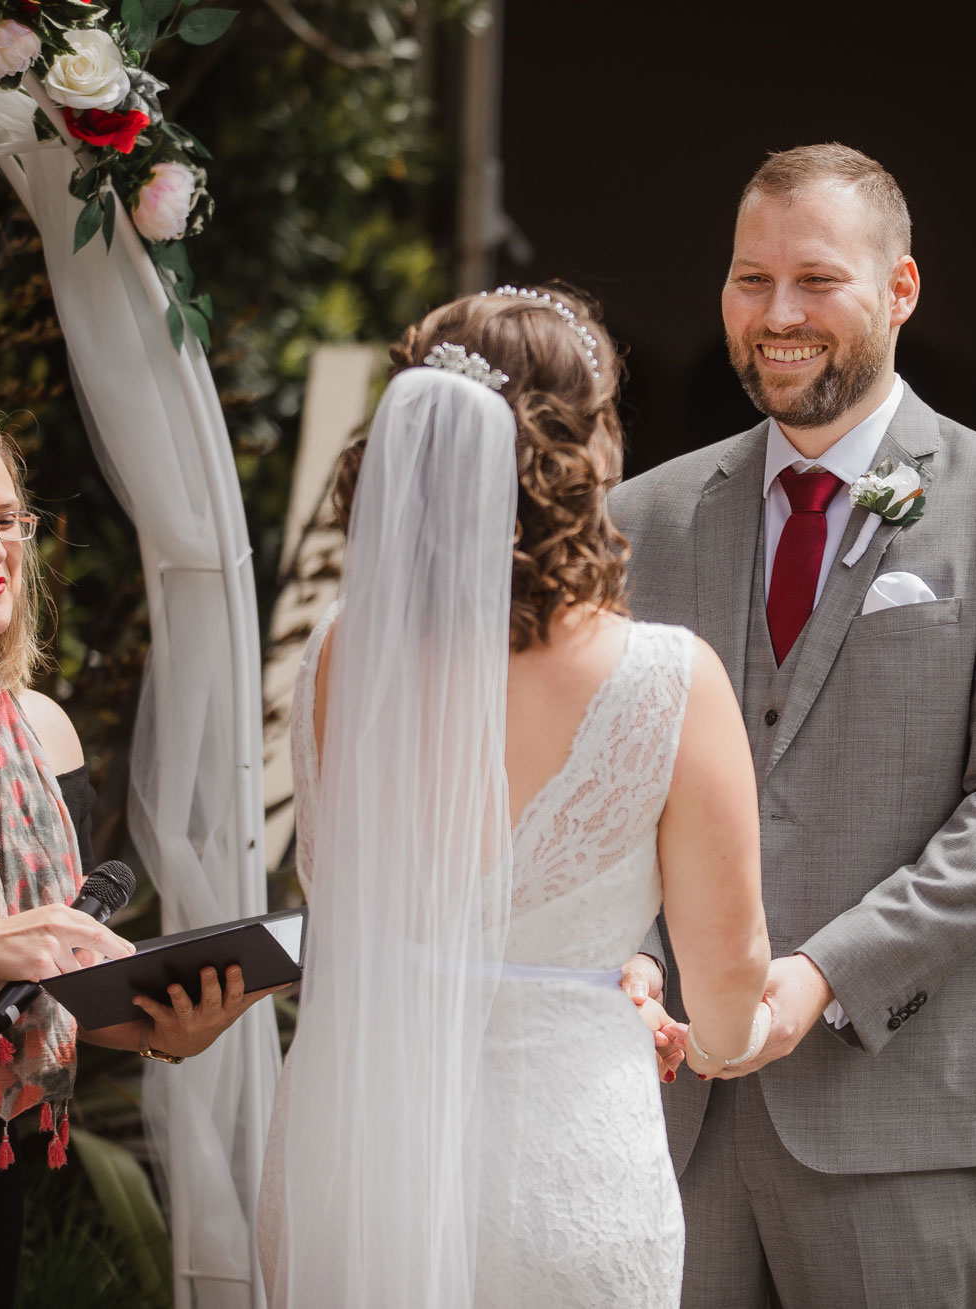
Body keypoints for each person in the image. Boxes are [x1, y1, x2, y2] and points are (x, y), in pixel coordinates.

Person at [608, 143, 976, 1308]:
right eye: (749, 280)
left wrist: (821, 976)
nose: (777, 316)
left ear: (900, 289)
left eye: (816, 281)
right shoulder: (642, 516)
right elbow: (605, 781)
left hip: (904, 1106)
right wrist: (627, 951)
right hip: (668, 1102)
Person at [257, 285, 772, 1308]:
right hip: (561, 1184)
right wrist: (693, 1016)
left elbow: (337, 894)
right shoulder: (667, 678)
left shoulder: (337, 654)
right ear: (584, 453)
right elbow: (724, 996)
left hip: (352, 1180)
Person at [0, 392, 269, 1307]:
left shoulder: (44, 734)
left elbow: (47, 980)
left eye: (7, 519)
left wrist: (159, 1027)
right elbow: (9, 948)